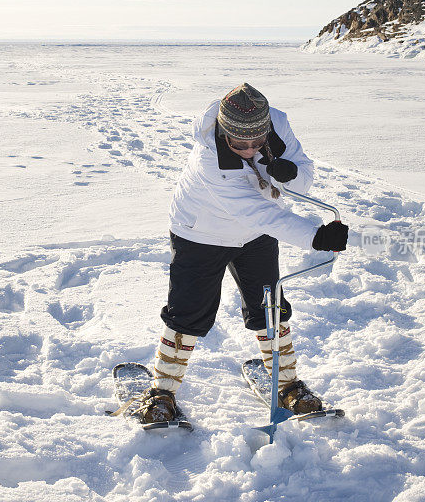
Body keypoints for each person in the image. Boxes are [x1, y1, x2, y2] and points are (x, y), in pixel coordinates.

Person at [137, 83, 349, 424]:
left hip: (255, 235)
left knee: (271, 306)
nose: (250, 150)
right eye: (240, 144)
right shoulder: (210, 158)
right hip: (201, 232)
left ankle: (288, 385)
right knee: (188, 312)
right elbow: (259, 212)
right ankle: (162, 391)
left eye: (257, 142)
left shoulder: (276, 124)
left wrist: (289, 174)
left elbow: (302, 174)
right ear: (224, 132)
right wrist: (316, 237)